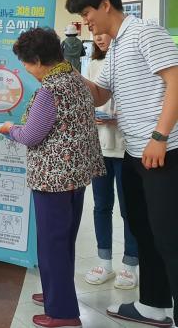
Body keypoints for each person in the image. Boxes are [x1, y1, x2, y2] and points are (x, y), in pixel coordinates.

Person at [66, 0, 178, 328]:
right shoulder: (115, 47)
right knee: (144, 230)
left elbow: (176, 81)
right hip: (134, 153)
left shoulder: (145, 32)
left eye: (87, 13)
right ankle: (153, 305)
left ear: (105, 5)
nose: (86, 22)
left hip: (164, 151)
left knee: (170, 235)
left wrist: (160, 136)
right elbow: (101, 95)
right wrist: (65, 70)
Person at [0, 27, 105, 328]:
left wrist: (8, 129)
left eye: (26, 63)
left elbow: (31, 135)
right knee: (64, 240)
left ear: (38, 60)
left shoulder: (49, 90)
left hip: (53, 179)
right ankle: (58, 292)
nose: (26, 70)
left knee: (52, 243)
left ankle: (62, 313)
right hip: (76, 175)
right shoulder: (75, 79)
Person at [84, 33, 138, 289]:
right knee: (101, 206)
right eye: (94, 34)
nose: (99, 38)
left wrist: (120, 118)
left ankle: (130, 265)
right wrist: (91, 114)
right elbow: (88, 99)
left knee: (129, 209)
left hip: (128, 148)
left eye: (103, 33)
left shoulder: (131, 62)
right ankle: (104, 262)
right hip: (100, 147)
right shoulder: (93, 65)